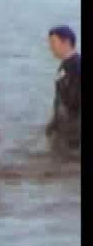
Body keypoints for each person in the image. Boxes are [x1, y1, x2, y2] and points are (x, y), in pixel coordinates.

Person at [45, 25, 81, 155]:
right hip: (64, 125)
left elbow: (74, 99)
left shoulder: (76, 65)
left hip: (73, 129)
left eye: (53, 42)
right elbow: (61, 97)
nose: (50, 47)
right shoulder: (65, 65)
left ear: (66, 42)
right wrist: (54, 122)